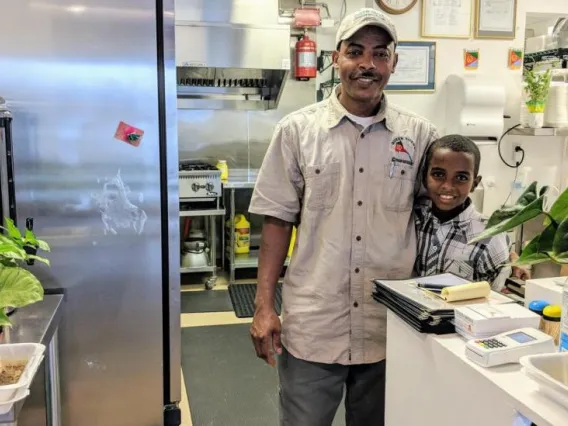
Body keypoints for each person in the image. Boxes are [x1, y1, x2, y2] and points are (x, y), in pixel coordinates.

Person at [248, 8, 439, 426]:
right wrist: (264, 307)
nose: (367, 64)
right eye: (356, 51)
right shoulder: (297, 131)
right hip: (316, 327)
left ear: (393, 62)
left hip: (391, 330)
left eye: (380, 53)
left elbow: (437, 221)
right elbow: (277, 222)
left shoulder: (420, 136)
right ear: (337, 59)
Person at [414, 134, 512, 288]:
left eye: (461, 177)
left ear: (475, 183)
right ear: (425, 177)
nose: (448, 185)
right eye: (438, 175)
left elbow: (496, 301)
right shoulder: (412, 221)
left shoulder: (490, 238)